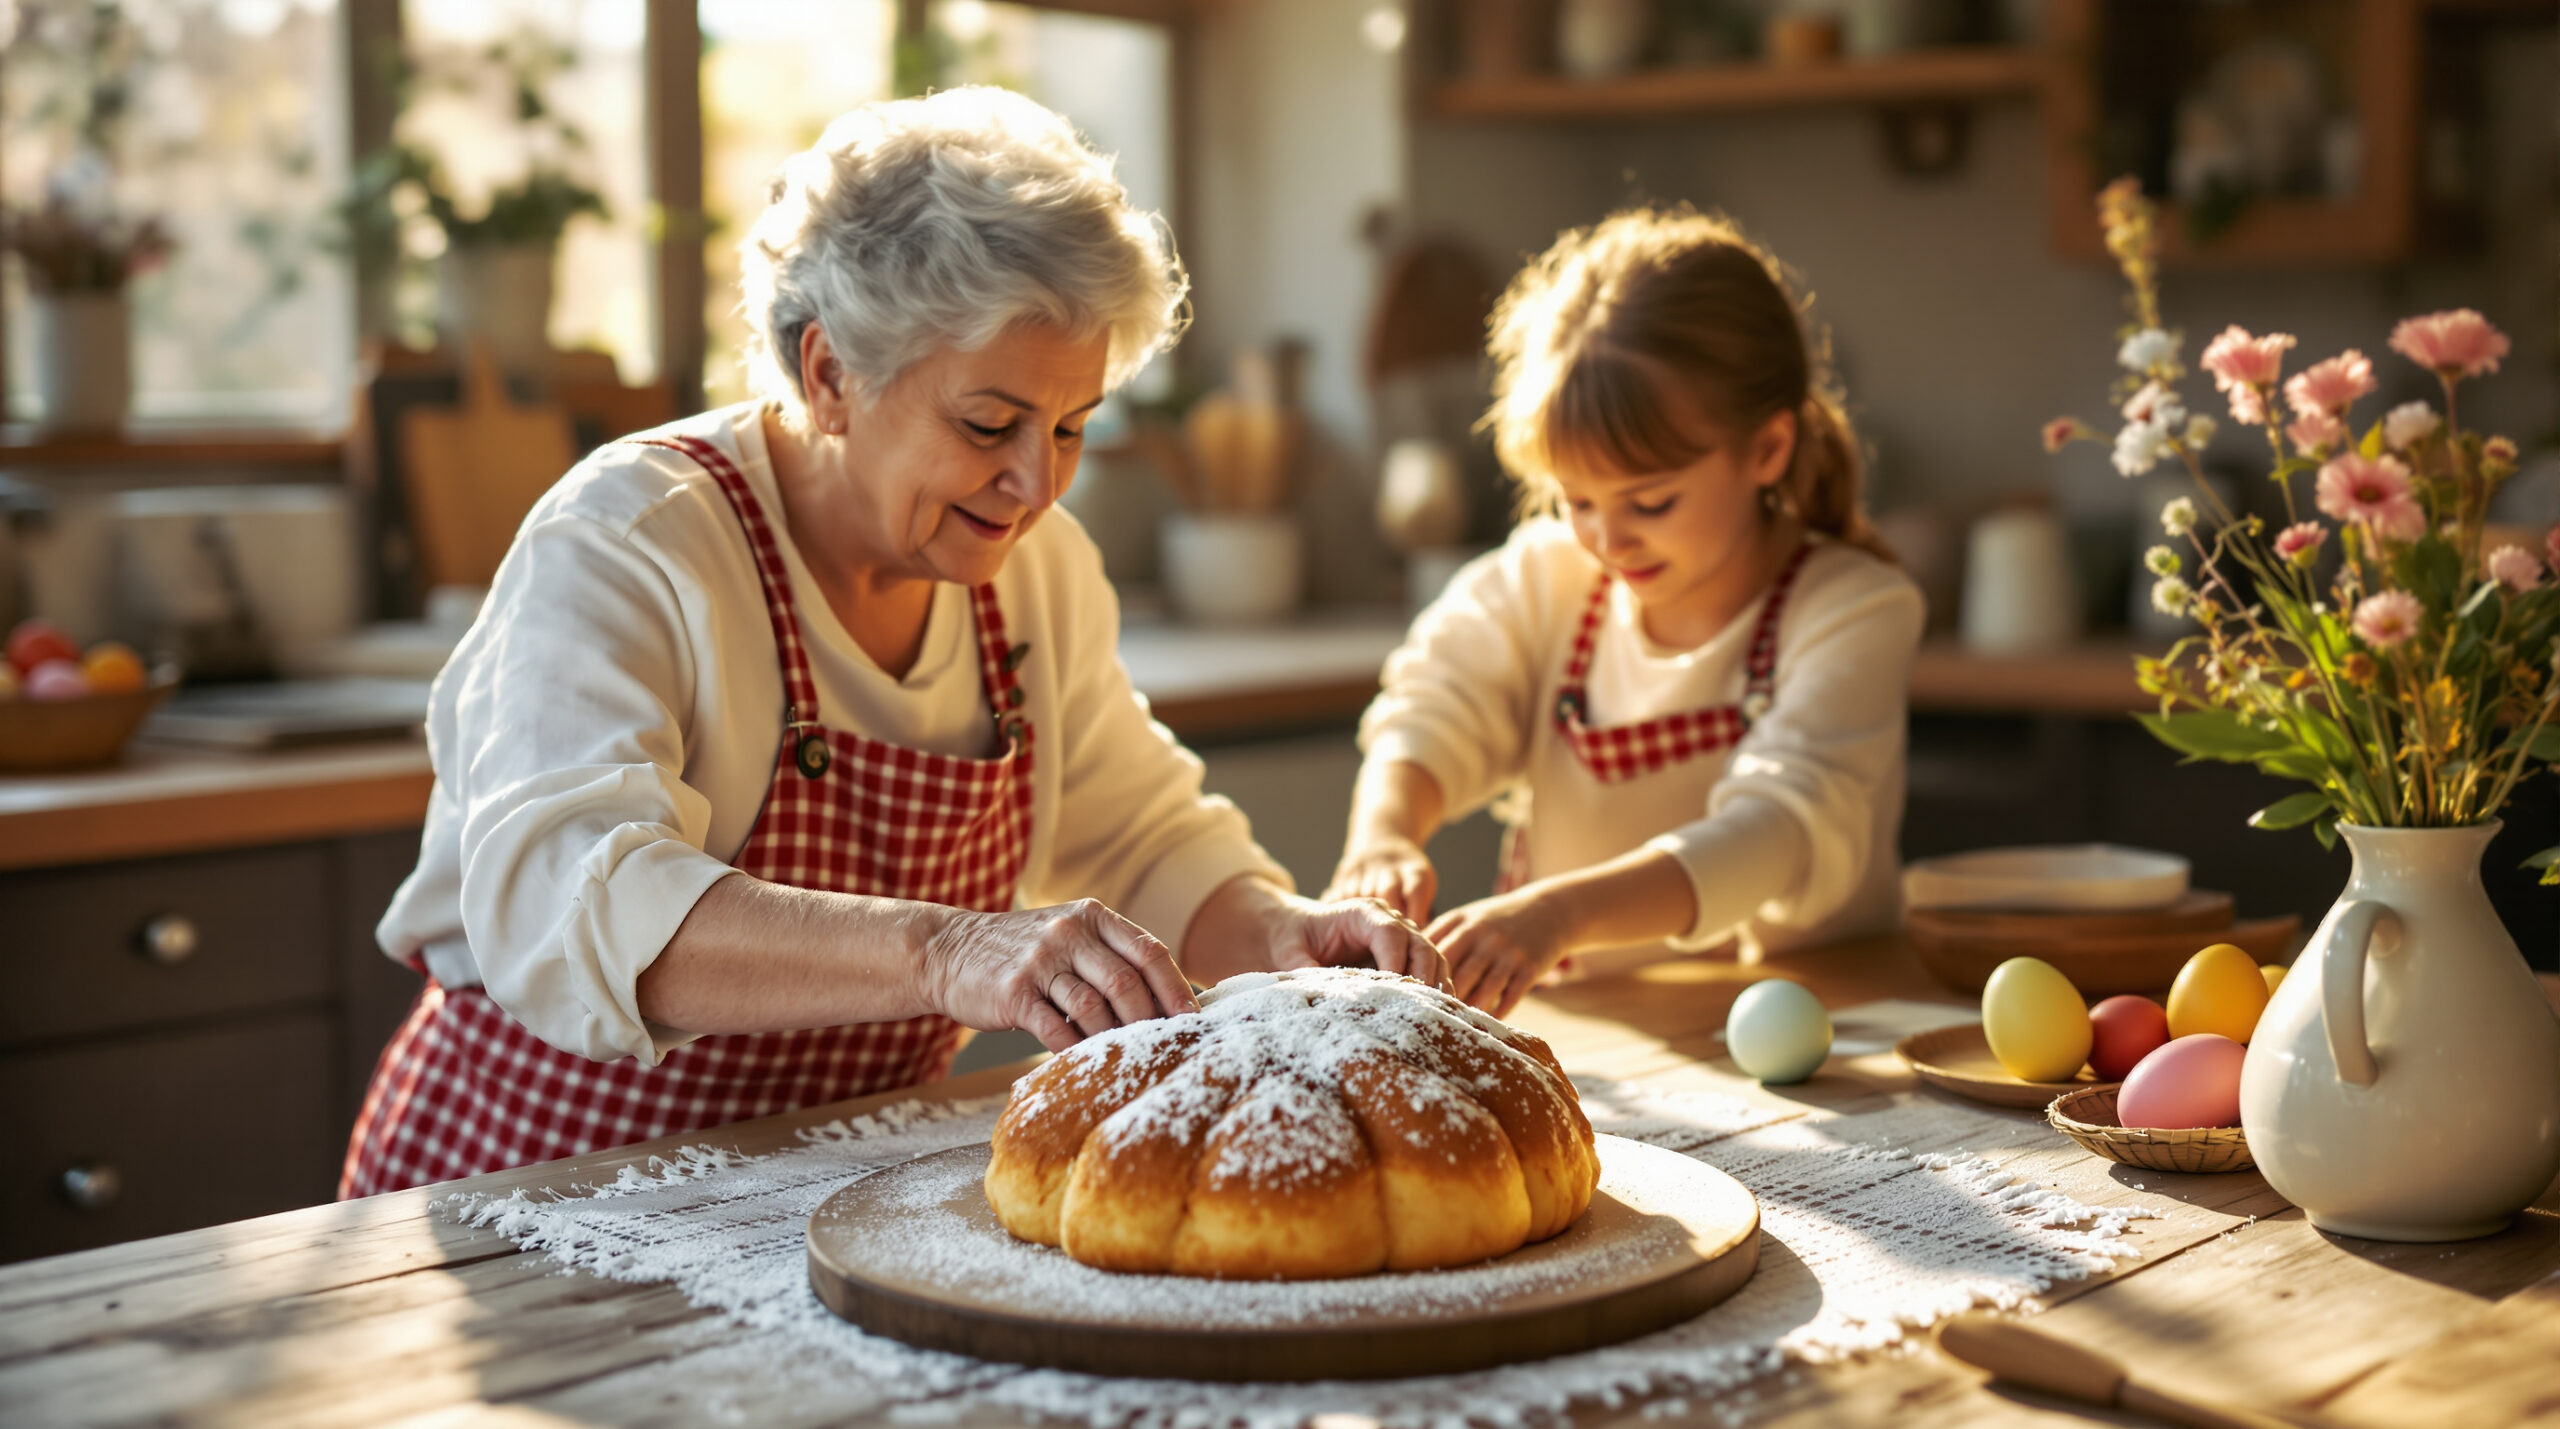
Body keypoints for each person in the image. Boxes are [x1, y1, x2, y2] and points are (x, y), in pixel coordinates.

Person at [342, 88, 1442, 1198]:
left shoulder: (1030, 570)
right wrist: (949, 950)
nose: (1033, 483)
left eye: (1071, 427)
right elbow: (571, 908)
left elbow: (1143, 844)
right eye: (986, 424)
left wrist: (1286, 936)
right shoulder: (630, 539)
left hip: (817, 1197)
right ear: (830, 375)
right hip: (538, 1193)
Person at [1327, 207, 1923, 1016]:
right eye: (1577, 499)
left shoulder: (1851, 609)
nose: (1608, 537)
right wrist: (1385, 835)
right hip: (1606, 1034)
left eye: (1651, 501)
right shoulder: (1547, 579)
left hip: (1822, 1025)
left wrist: (1558, 913)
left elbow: (1779, 829)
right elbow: (1432, 702)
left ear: (1768, 450)